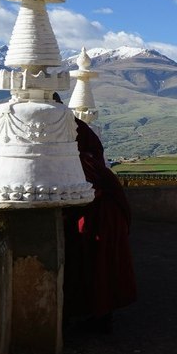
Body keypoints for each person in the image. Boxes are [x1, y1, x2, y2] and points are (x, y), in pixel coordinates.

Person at [57, 93, 136, 334]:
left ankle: (100, 317)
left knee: (98, 263)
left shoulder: (68, 130)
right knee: (97, 264)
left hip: (99, 208)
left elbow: (87, 172)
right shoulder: (73, 127)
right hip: (96, 204)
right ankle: (96, 314)